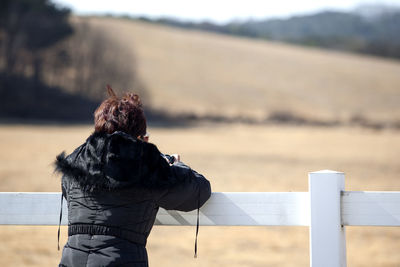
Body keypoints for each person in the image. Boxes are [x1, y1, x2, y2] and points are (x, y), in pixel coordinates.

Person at [54, 86, 212, 267]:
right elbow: (199, 191)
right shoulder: (145, 164)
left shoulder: (75, 160)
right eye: (145, 138)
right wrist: (171, 164)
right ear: (139, 137)